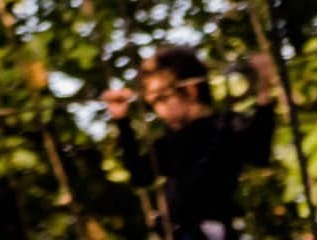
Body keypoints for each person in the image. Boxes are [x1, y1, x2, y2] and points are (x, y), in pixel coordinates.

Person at [96, 39, 286, 240]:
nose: (158, 109)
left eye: (162, 98)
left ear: (190, 90)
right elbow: (141, 175)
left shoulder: (225, 127)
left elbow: (258, 150)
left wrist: (264, 84)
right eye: (152, 102)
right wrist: (122, 120)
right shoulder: (169, 142)